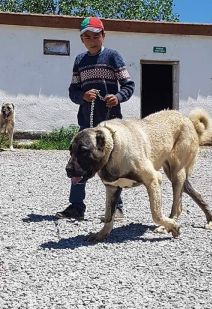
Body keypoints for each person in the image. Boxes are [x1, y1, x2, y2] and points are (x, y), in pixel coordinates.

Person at [56, 16, 135, 221]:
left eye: (96, 35)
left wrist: (116, 98)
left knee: (112, 167)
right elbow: (73, 90)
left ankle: (116, 208)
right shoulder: (79, 61)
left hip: (110, 126)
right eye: (87, 36)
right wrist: (82, 96)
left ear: (103, 36)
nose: (92, 40)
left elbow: (128, 85)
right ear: (82, 40)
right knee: (78, 164)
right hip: (86, 124)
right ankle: (76, 207)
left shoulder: (112, 57)